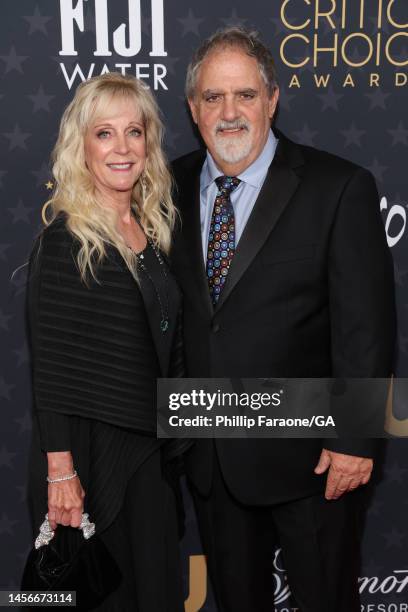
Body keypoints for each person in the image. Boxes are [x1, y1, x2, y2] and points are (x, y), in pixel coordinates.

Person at [170, 27, 396, 612]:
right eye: (213, 98)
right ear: (193, 108)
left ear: (272, 99)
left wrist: (353, 441)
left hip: (313, 461)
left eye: (244, 95)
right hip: (213, 456)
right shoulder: (164, 187)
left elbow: (365, 328)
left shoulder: (337, 187)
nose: (229, 112)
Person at [26, 72, 189, 611]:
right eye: (104, 133)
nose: (122, 148)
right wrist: (62, 474)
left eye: (134, 132)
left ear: (148, 142)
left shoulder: (153, 230)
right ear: (83, 147)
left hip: (153, 457)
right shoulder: (66, 239)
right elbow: (49, 368)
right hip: (92, 462)